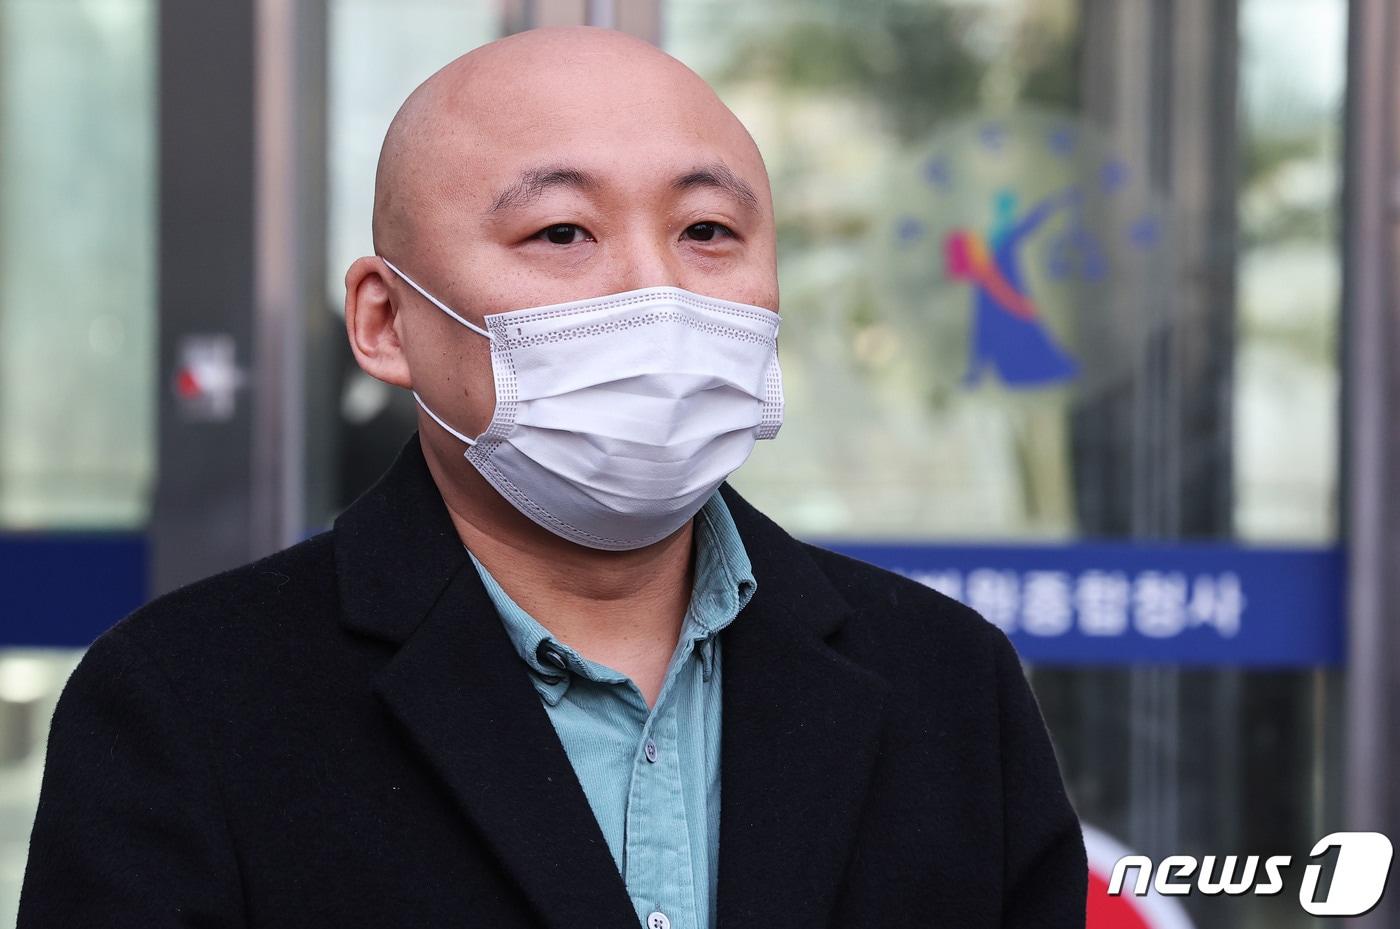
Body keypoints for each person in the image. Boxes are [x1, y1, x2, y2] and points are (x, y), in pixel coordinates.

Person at [18, 26, 1086, 929]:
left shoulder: (950, 685)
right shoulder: (186, 706)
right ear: (386, 320)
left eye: (707, 231)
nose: (655, 291)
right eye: (562, 231)